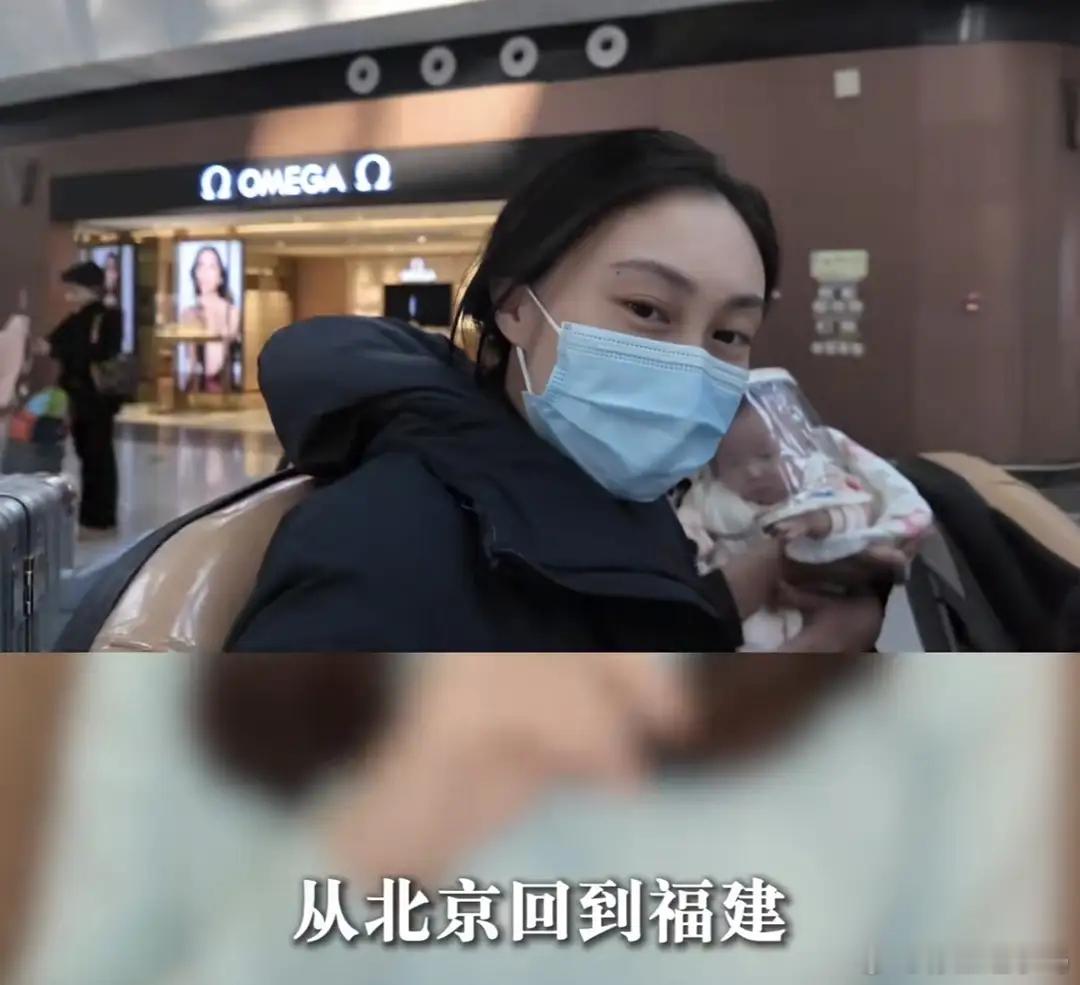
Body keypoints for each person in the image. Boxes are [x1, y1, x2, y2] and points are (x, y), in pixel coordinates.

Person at [227, 129, 897, 654]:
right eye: (646, 308)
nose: (691, 364)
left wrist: (768, 575)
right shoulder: (382, 548)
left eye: (729, 334)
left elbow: (617, 624)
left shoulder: (614, 493)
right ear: (516, 307)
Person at [677, 396, 933, 650]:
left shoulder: (816, 479)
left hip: (816, 591)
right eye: (734, 463)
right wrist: (695, 543)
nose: (753, 472)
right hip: (743, 604)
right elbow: (687, 529)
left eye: (766, 456)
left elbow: (857, 510)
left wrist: (819, 522)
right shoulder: (710, 496)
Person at [43, 261, 122, 533]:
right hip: (78, 396)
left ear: (88, 289)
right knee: (87, 453)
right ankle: (91, 513)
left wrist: (63, 351)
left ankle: (101, 514)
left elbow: (96, 352)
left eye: (73, 290)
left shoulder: (106, 316)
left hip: (96, 397)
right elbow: (52, 343)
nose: (69, 296)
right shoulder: (77, 318)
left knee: (98, 454)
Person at [180, 245, 241, 393]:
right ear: (195, 273)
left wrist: (210, 314)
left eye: (212, 267)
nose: (205, 273)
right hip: (197, 389)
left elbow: (212, 367)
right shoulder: (188, 313)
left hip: (224, 389)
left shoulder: (232, 312)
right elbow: (192, 365)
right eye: (200, 266)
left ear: (220, 277)